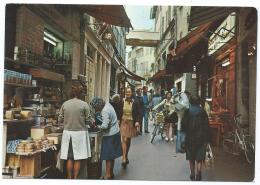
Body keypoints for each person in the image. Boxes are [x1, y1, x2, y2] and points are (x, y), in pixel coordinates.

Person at [58, 81, 92, 179]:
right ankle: (75, 177)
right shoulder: (84, 105)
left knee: (69, 157)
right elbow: (88, 120)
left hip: (68, 134)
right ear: (81, 93)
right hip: (80, 134)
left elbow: (60, 119)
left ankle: (69, 177)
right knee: (78, 158)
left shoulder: (65, 104)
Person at [90, 97, 122, 180]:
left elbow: (105, 126)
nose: (96, 109)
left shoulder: (104, 111)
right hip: (116, 132)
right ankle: (110, 173)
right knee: (111, 155)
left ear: (99, 106)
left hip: (110, 135)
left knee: (108, 156)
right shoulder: (108, 105)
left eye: (96, 108)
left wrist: (97, 126)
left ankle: (107, 175)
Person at [181, 95, 210, 181]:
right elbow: (206, 126)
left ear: (190, 101)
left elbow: (183, 125)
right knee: (199, 157)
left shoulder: (187, 111)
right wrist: (207, 139)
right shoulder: (203, 111)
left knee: (191, 157)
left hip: (190, 138)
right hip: (201, 138)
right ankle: (199, 173)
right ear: (199, 102)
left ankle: (192, 174)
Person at [119, 87, 141, 168]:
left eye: (129, 92)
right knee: (124, 139)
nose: (128, 93)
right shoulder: (122, 101)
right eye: (126, 92)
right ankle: (124, 158)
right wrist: (118, 119)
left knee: (128, 140)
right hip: (123, 121)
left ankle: (126, 155)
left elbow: (138, 113)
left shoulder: (135, 102)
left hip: (131, 122)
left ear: (132, 93)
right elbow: (119, 111)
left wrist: (137, 121)